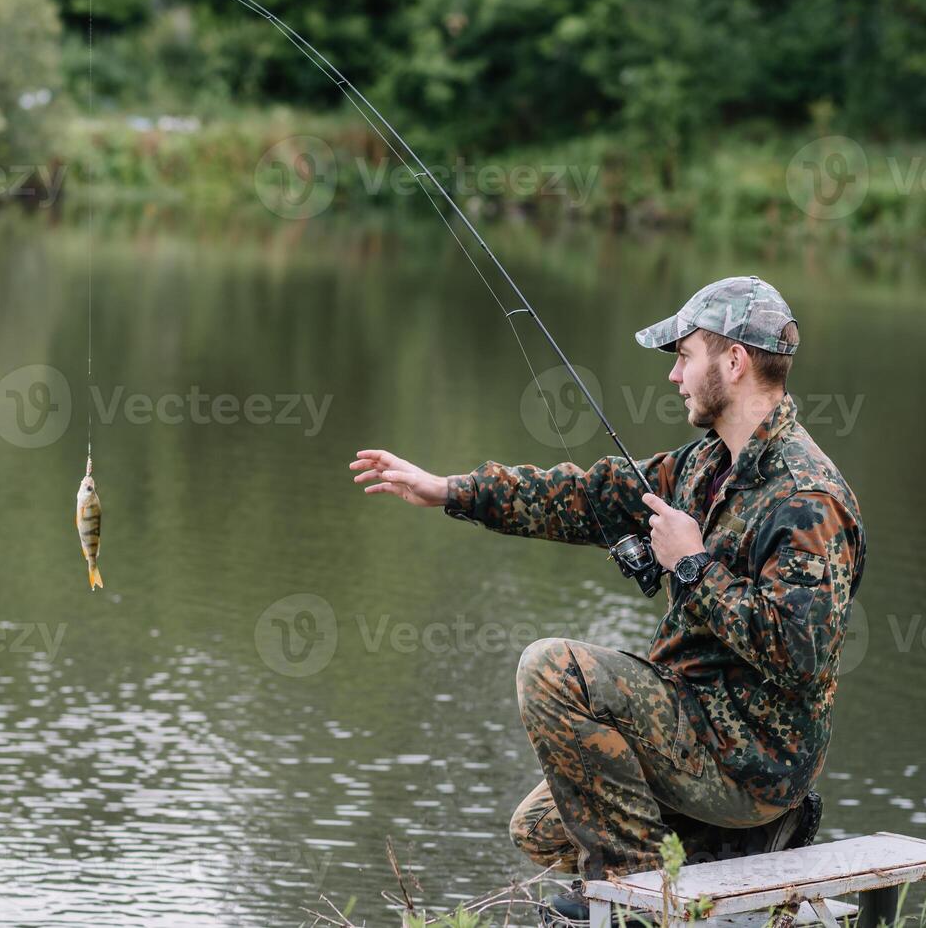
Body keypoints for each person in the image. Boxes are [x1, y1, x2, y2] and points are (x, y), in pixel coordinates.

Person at [349, 276, 865, 926]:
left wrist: (693, 566)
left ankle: (633, 902)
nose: (675, 376)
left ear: (733, 363)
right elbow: (592, 496)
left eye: (684, 356)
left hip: (756, 760)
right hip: (699, 723)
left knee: (550, 670)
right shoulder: (709, 465)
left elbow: (803, 658)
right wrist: (452, 491)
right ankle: (721, 853)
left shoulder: (809, 501)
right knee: (541, 828)